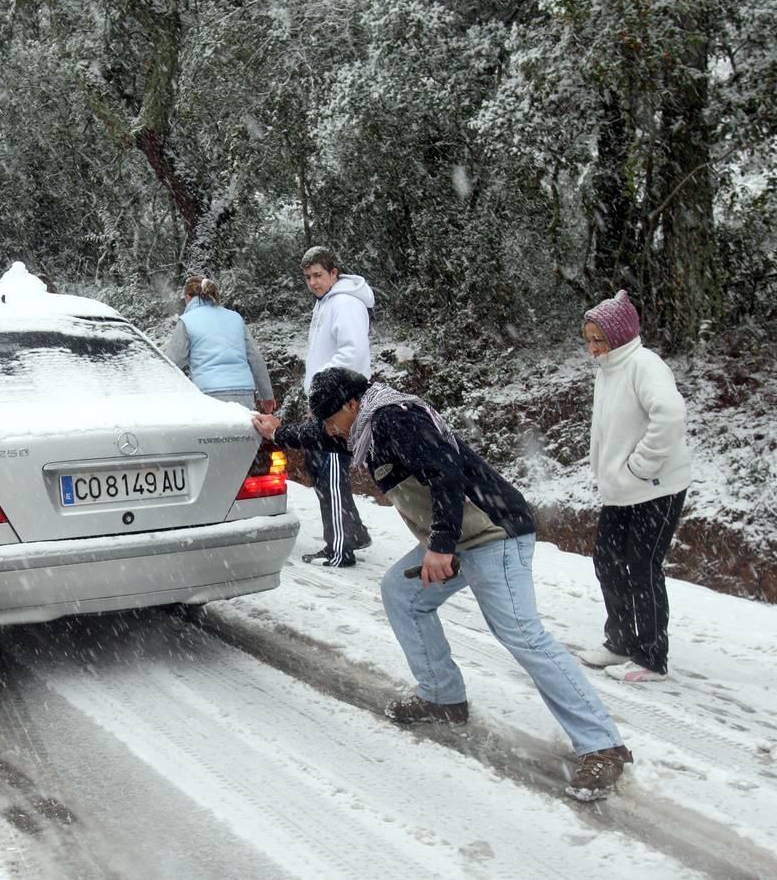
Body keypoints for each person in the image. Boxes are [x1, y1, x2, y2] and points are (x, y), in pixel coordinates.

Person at [252, 367, 634, 800]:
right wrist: (279, 431)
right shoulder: (364, 425)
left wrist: (442, 547)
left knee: (522, 634)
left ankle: (604, 746)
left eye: (330, 418)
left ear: (352, 405)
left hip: (493, 532)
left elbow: (447, 473)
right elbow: (327, 436)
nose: (328, 429)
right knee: (402, 593)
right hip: (459, 536)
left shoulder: (395, 418)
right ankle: (443, 698)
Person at [577, 290, 691, 683]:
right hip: (621, 491)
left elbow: (671, 416)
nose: (592, 348)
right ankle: (621, 640)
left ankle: (651, 656)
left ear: (619, 335)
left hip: (656, 489)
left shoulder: (645, 364)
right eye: (588, 339)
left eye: (598, 339)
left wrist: (642, 465)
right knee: (607, 561)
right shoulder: (608, 369)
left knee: (642, 567)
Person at [297, 246, 375, 566]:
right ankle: (351, 532)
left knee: (329, 470)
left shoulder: (344, 303)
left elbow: (351, 353)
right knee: (320, 468)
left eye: (318, 275)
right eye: (308, 277)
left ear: (334, 274)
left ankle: (340, 549)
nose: (313, 282)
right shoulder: (326, 303)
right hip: (327, 400)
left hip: (339, 402)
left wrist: (323, 395)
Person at [162, 275, 276, 413]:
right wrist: (267, 395)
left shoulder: (187, 321)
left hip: (209, 394)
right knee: (243, 434)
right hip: (243, 393)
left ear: (187, 297)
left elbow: (171, 363)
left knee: (216, 434)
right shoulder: (235, 318)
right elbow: (255, 359)